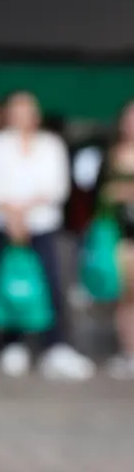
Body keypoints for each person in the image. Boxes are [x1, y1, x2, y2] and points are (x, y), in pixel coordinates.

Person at [0, 91, 95, 380]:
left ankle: (55, 346)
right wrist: (13, 216)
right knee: (9, 285)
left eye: (26, 110)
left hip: (42, 225)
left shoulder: (51, 145)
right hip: (4, 225)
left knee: (50, 284)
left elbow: (57, 187)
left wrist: (26, 211)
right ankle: (12, 344)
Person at [96, 100, 134, 378]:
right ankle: (129, 351)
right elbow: (100, 194)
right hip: (122, 234)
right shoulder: (110, 156)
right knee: (126, 295)